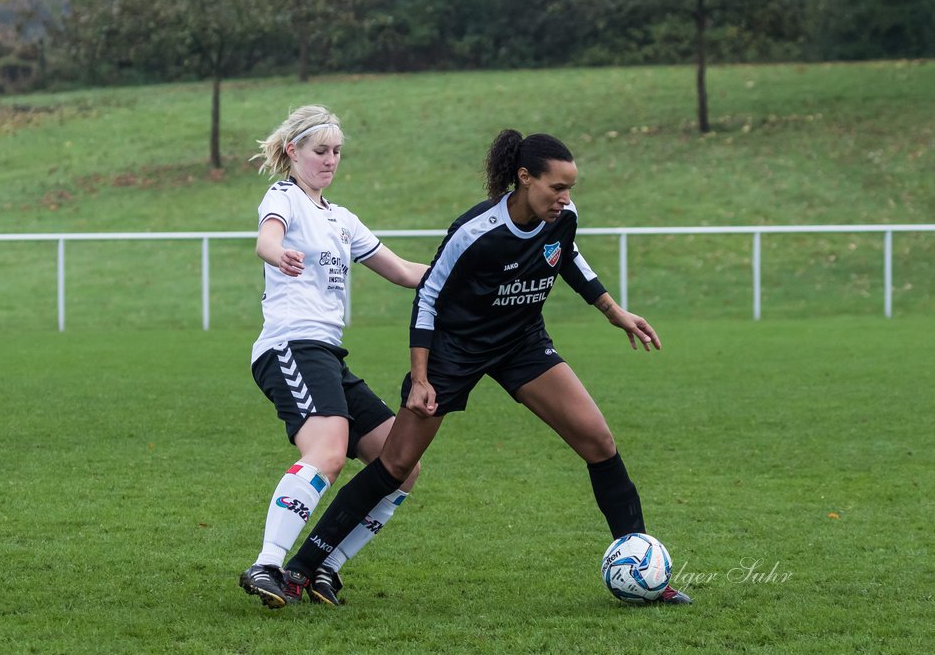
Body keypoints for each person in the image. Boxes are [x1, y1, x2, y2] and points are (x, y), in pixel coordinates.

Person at [276, 129, 691, 606]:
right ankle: (302, 568)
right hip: (455, 350)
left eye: (570, 187)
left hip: (522, 343)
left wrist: (614, 312)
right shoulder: (476, 232)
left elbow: (567, 258)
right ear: (524, 178)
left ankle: (640, 567)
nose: (566, 198)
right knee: (395, 463)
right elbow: (428, 296)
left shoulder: (563, 217)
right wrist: (422, 378)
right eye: (557, 187)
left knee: (598, 441)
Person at [238, 105, 429, 608]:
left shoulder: (341, 220)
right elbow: (266, 238)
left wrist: (463, 271)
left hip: (327, 352)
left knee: (402, 463)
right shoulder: (283, 196)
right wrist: (277, 254)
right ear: (291, 151)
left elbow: (406, 273)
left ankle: (325, 567)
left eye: (336, 152)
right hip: (289, 345)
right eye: (320, 151)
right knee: (326, 451)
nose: (330, 160)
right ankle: (268, 564)